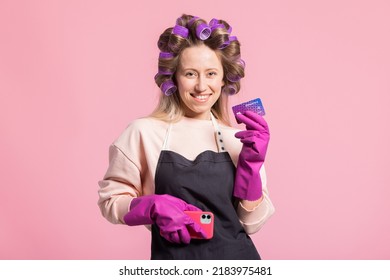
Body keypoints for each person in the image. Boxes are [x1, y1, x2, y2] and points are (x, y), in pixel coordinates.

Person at [98, 14, 275, 260]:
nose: (202, 86)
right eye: (190, 74)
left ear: (224, 78)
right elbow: (110, 203)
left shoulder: (240, 138)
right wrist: (150, 206)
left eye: (211, 73)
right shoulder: (143, 133)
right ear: (173, 78)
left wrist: (251, 168)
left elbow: (251, 225)